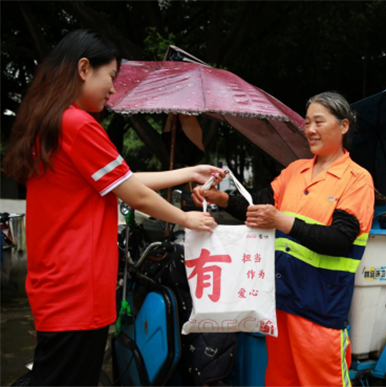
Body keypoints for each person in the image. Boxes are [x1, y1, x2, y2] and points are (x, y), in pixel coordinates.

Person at [3, 29, 225, 386]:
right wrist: (186, 217)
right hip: (78, 287)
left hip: (55, 283)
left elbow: (122, 181)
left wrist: (187, 171)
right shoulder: (77, 124)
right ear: (84, 68)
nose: (113, 88)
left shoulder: (50, 122)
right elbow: (133, 194)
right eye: (111, 77)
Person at [192, 91, 375, 386]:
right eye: (306, 123)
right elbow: (258, 206)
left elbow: (340, 238)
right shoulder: (295, 171)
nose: (310, 130)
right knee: (281, 380)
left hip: (321, 306)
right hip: (279, 301)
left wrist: (282, 221)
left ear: (343, 126)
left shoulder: (357, 179)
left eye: (318, 122)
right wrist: (222, 198)